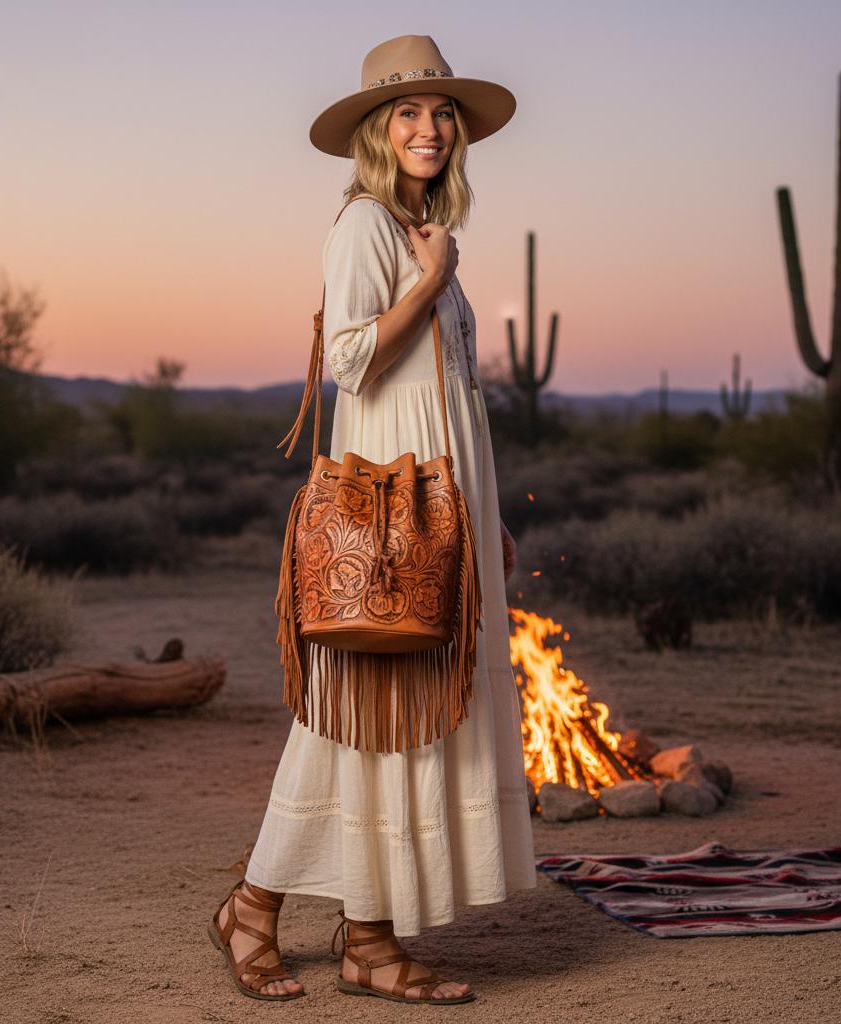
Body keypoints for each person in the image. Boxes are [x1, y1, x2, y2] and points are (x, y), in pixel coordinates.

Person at [207, 34, 536, 1005]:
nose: (429, 127)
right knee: (361, 714)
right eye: (407, 112)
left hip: (444, 505)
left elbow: (455, 389)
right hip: (389, 512)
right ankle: (264, 908)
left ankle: (362, 933)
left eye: (442, 113)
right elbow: (351, 362)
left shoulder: (422, 229)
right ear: (374, 131)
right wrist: (429, 282)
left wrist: (485, 515)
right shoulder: (365, 228)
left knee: (407, 719)